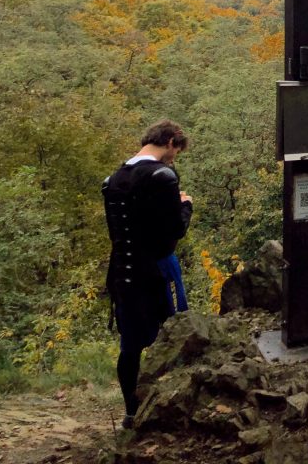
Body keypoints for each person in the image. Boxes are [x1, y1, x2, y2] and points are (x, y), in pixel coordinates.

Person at [102, 120, 193, 429]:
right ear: (170, 142)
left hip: (123, 271)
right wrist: (186, 206)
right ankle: (167, 407)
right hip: (156, 268)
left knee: (130, 344)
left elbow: (119, 231)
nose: (174, 159)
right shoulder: (162, 177)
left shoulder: (113, 179)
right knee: (170, 335)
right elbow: (173, 231)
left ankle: (131, 411)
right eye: (175, 152)